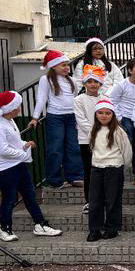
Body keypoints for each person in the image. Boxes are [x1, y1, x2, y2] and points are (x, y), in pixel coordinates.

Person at [0, 91, 62, 241]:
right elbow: (2, 150)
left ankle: (40, 224)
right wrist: (24, 154)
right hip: (6, 169)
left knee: (30, 197)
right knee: (9, 199)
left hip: (19, 165)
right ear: (11, 108)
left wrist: (24, 144)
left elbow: (14, 143)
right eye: (18, 106)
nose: (20, 108)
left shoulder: (10, 121)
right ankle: (4, 229)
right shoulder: (1, 125)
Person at [27, 50, 83, 188]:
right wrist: (35, 117)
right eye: (63, 65)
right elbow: (41, 99)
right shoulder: (45, 79)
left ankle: (75, 176)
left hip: (72, 117)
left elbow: (76, 98)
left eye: (67, 65)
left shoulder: (72, 80)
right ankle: (54, 179)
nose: (66, 68)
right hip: (55, 118)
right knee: (55, 148)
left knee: (74, 147)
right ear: (53, 66)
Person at [86, 97, 131, 241]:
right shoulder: (93, 130)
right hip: (97, 168)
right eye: (100, 113)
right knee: (95, 200)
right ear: (96, 114)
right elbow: (92, 148)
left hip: (114, 168)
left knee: (113, 199)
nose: (104, 116)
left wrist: (122, 166)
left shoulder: (118, 131)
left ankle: (112, 228)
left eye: (107, 113)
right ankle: (95, 229)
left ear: (112, 115)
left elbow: (127, 151)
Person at [74, 66, 105, 213]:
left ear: (100, 83)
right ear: (85, 83)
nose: (93, 84)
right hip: (86, 140)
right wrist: (96, 132)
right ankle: (89, 201)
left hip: (103, 140)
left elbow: (109, 117)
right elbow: (81, 120)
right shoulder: (79, 100)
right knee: (89, 171)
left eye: (96, 81)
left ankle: (103, 199)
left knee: (103, 169)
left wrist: (103, 134)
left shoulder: (105, 99)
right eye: (89, 81)